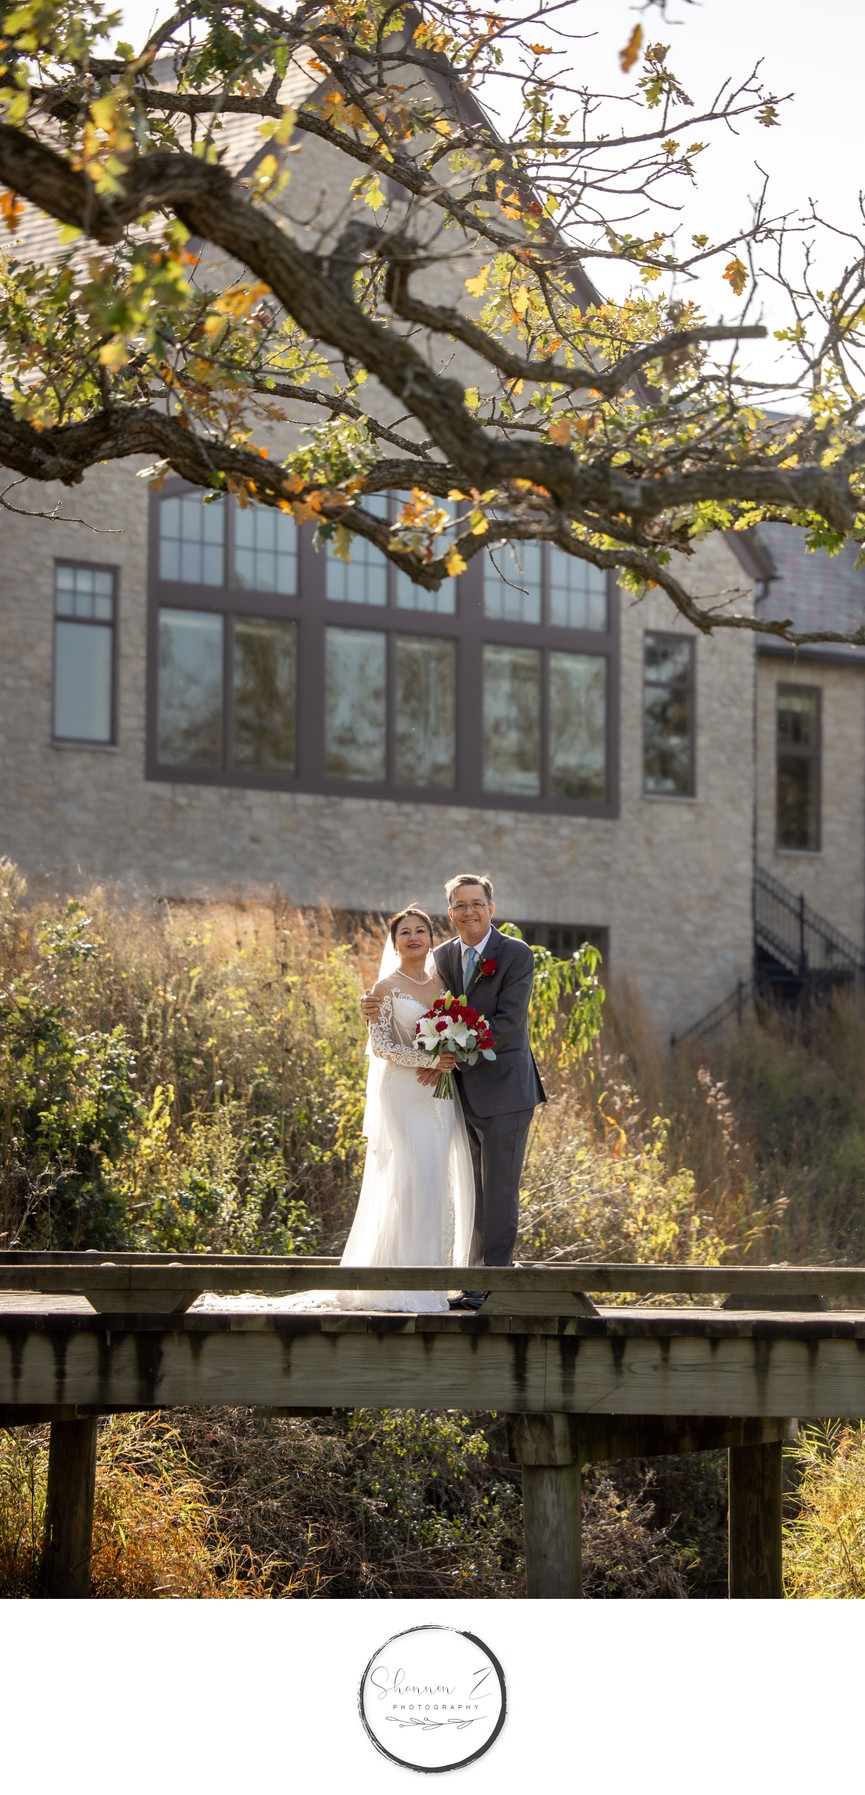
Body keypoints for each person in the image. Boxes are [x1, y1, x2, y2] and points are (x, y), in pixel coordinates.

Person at [362, 874, 546, 1309]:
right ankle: (470, 1279)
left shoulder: (515, 955)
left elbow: (506, 1023)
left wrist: (447, 1059)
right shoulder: (441, 956)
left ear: (491, 908)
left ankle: (492, 1286)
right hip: (454, 1095)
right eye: (460, 905)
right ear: (450, 913)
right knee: (470, 1191)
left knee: (499, 1191)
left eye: (477, 903)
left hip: (506, 1093)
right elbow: (419, 1003)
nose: (469, 911)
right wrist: (372, 1006)